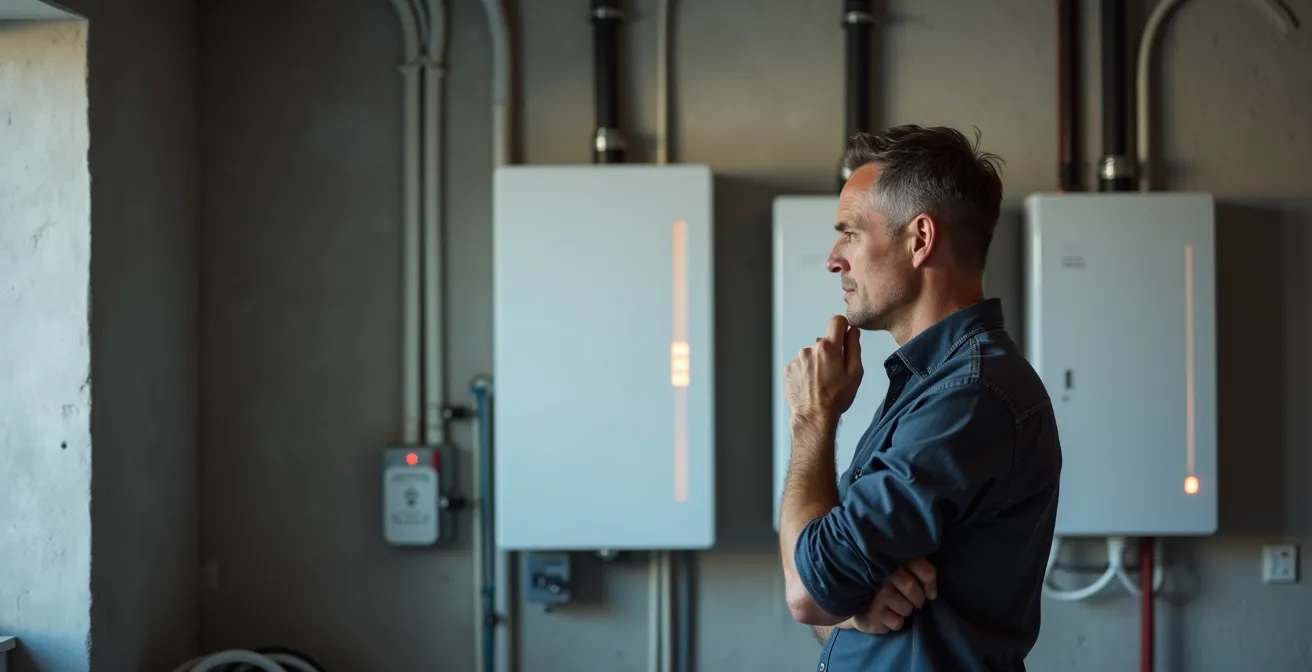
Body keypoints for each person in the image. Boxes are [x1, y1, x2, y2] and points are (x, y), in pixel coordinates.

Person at [777, 125, 1062, 671]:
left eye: (851, 233)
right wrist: (853, 606)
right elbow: (818, 590)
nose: (835, 259)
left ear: (920, 238)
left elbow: (807, 588)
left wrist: (812, 417)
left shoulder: (969, 397)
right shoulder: (929, 386)